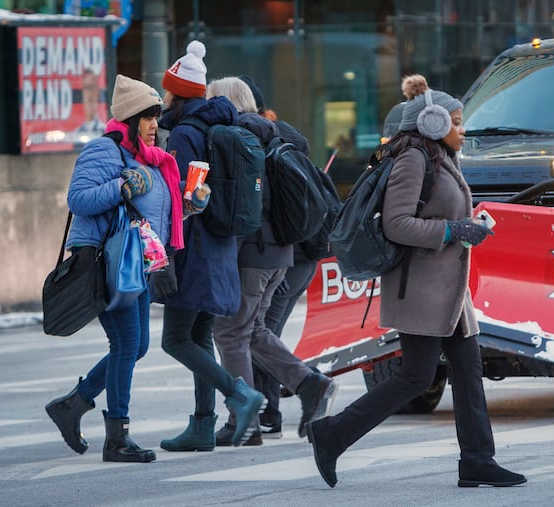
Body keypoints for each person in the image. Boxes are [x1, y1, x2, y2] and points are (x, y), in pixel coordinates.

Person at [304, 74, 527, 488]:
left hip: (447, 288)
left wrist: (468, 225)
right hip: (421, 288)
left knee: (467, 370)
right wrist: (454, 231)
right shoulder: (413, 158)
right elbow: (398, 224)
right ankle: (332, 433)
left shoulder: (440, 157)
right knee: (416, 377)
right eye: (457, 122)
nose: (464, 130)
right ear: (434, 124)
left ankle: (478, 460)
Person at [45, 74, 189, 463]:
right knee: (127, 345)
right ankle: (117, 437)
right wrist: (121, 188)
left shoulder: (150, 159)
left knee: (136, 345)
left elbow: (149, 214)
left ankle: (74, 403)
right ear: (129, 121)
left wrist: (188, 207)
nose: (155, 125)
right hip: (106, 261)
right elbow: (78, 198)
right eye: (148, 118)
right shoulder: (103, 152)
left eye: (157, 117)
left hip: (135, 263)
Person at [206, 76, 338, 445]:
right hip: (282, 250)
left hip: (253, 251)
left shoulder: (237, 139)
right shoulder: (275, 134)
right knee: (253, 330)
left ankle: (242, 420)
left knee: (230, 333)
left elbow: (246, 206)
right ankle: (310, 384)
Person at [155, 41, 266, 452]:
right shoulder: (217, 126)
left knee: (175, 339)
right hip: (218, 244)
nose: (163, 97)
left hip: (193, 245)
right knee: (199, 335)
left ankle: (240, 394)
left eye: (166, 90)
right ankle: (203, 426)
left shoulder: (184, 134)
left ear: (177, 93)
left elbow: (182, 195)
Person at [239, 74, 319, 439]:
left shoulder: (260, 140)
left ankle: (273, 406)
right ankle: (270, 410)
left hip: (285, 253)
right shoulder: (289, 138)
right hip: (301, 254)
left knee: (258, 332)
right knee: (264, 332)